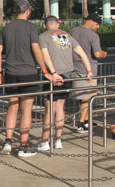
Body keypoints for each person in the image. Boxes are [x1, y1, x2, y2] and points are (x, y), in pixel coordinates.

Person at [0, 0, 62, 158]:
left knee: (12, 106)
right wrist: (46, 72)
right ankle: (23, 145)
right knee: (26, 109)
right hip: (28, 74)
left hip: (10, 73)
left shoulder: (7, 28)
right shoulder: (31, 28)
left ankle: (8, 141)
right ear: (28, 12)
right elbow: (36, 50)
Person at [36, 15, 93, 151]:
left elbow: (45, 56)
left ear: (45, 25)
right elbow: (82, 53)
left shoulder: (43, 36)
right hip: (69, 75)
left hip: (54, 75)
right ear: (58, 24)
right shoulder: (67, 36)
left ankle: (44, 141)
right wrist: (89, 70)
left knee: (49, 108)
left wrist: (53, 72)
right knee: (60, 107)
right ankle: (58, 139)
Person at [69, 13, 108, 133]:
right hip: (89, 70)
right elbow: (97, 54)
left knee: (82, 97)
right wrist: (104, 53)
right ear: (90, 21)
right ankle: (81, 123)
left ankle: (86, 120)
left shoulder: (72, 31)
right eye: (97, 24)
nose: (98, 27)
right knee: (88, 96)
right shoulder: (93, 36)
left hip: (74, 68)